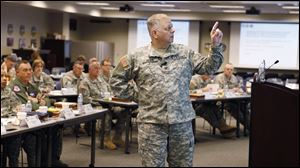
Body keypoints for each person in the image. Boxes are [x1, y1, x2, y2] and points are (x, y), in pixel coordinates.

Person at [110, 13, 223, 167]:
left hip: (181, 124)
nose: (173, 30)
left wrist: (215, 46)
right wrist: (139, 96)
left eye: (172, 27)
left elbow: (209, 67)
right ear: (155, 33)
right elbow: (116, 81)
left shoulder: (185, 53)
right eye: (168, 28)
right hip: (152, 125)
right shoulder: (137, 57)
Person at [9, 60, 68, 167]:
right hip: (22, 125)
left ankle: (52, 160)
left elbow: (47, 100)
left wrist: (41, 102)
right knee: (39, 134)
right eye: (25, 70)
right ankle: (45, 162)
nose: (29, 72)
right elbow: (25, 106)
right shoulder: (14, 87)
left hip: (37, 120)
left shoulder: (31, 86)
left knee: (56, 127)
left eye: (30, 70)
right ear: (17, 72)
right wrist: (36, 102)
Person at [214, 63, 250, 129]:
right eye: (227, 69)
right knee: (235, 109)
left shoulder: (234, 78)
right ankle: (249, 127)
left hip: (233, 99)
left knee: (244, 106)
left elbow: (238, 88)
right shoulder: (219, 78)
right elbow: (217, 91)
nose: (229, 71)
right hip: (222, 101)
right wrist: (231, 90)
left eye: (231, 70)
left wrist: (238, 89)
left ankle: (251, 125)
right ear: (224, 70)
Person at [1, 71, 22, 167]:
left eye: (5, 76)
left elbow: (18, 107)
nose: (5, 78)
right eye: (1, 76)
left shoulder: (8, 91)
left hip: (8, 127)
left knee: (15, 139)